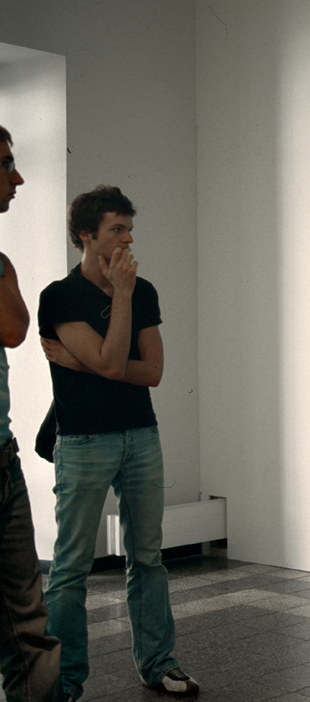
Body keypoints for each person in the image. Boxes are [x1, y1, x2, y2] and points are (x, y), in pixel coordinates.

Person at [37, 185, 197, 700]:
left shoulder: (143, 289)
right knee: (71, 568)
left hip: (140, 437)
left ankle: (159, 664)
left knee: (147, 557)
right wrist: (117, 307)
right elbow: (111, 361)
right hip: (83, 441)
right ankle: (65, 680)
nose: (129, 239)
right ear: (86, 235)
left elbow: (152, 372)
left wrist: (80, 357)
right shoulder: (59, 296)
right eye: (117, 229)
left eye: (129, 229)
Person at [0, 126, 63, 702]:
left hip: (2, 456)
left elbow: (13, 330)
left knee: (29, 623)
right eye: (5, 165)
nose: (17, 177)